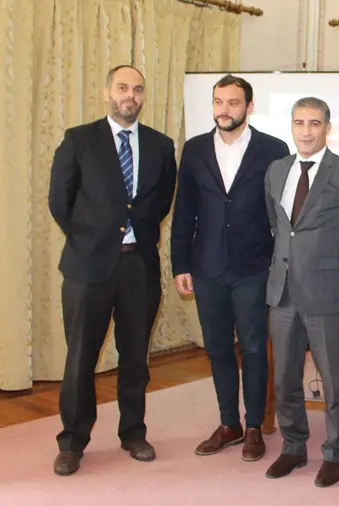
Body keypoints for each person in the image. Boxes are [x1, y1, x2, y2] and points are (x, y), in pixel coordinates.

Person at [48, 65, 177, 476]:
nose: (131, 96)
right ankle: (72, 441)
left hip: (138, 267)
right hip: (87, 268)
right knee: (80, 358)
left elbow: (160, 203)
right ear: (107, 92)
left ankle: (133, 433)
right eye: (123, 87)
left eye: (138, 89)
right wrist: (91, 239)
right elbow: (59, 201)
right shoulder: (79, 140)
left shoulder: (161, 145)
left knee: (135, 357)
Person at [170, 75, 289, 462]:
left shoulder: (273, 149)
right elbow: (184, 209)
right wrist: (180, 262)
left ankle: (254, 426)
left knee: (254, 348)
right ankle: (228, 424)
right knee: (218, 349)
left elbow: (282, 214)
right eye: (219, 101)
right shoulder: (194, 149)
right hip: (206, 267)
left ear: (249, 107)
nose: (225, 109)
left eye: (233, 102)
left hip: (254, 266)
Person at [263, 97, 339, 486]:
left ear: (328, 127)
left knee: (335, 380)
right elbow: (279, 226)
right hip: (283, 292)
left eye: (315, 123)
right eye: (300, 123)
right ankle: (293, 446)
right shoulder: (276, 170)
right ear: (291, 126)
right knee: (285, 376)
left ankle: (335, 453)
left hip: (328, 292)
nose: (306, 131)